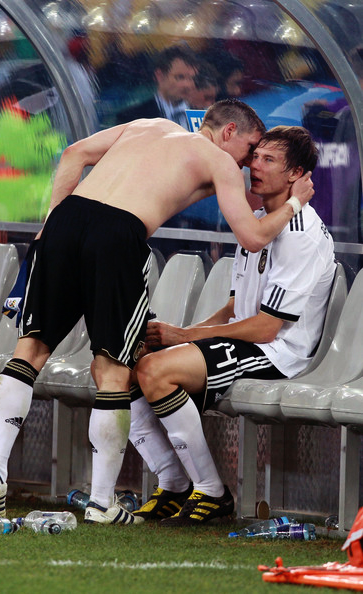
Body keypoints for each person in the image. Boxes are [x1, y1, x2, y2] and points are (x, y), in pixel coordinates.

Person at [0, 100, 314, 526]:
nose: (248, 162)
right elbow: (251, 236)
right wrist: (295, 203)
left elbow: (73, 154)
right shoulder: (217, 159)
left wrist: (51, 224)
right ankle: (102, 503)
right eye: (249, 149)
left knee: (30, 350)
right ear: (228, 131)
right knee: (114, 370)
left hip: (66, 219)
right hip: (117, 234)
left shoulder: (148, 124)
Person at [130, 125, 336, 526]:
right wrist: (179, 335)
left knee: (155, 371)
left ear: (295, 174)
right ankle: (173, 483)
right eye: (255, 156)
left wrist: (185, 338)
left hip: (280, 353)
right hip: (251, 340)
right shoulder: (259, 219)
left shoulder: (299, 234)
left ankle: (212, 492)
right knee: (126, 364)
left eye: (268, 160)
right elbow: (236, 305)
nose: (254, 166)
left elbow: (266, 328)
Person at [116, 45, 199, 129]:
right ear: (160, 76)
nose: (188, 85)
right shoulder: (132, 118)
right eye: (180, 77)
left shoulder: (204, 116)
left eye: (192, 78)